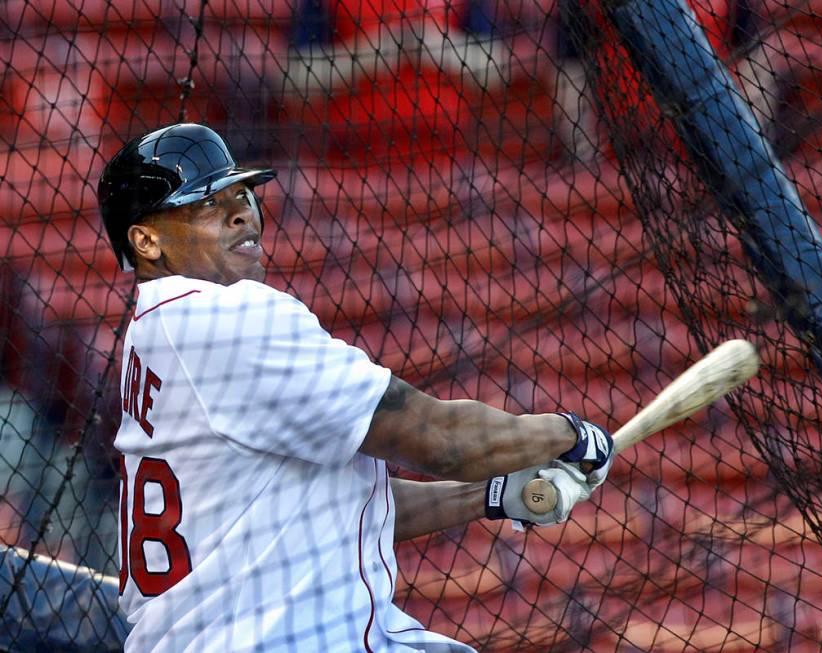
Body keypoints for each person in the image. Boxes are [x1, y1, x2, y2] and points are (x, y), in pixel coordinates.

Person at [97, 123, 615, 652]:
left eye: (243, 195)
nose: (243, 213)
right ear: (146, 239)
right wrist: (571, 435)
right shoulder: (227, 316)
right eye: (208, 204)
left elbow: (341, 506)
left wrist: (494, 495)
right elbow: (440, 439)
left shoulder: (153, 335)